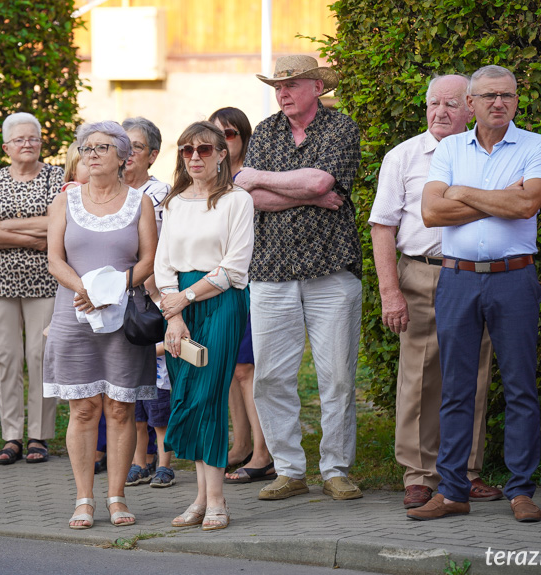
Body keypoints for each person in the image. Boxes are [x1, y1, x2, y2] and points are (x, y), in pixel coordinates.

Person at [410, 65, 541, 522]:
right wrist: (497, 197)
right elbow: (431, 212)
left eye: (507, 95)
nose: (499, 103)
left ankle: (521, 491)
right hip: (458, 279)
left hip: (515, 277)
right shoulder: (449, 147)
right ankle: (452, 491)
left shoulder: (536, 145)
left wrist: (463, 193)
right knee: (454, 388)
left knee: (520, 388)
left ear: (516, 100)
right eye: (489, 95)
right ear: (469, 103)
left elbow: (527, 203)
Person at [369, 74, 502, 509]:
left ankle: (465, 473)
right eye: (433, 104)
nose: (440, 112)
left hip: (474, 273)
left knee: (473, 374)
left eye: (450, 104)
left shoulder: (485, 155)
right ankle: (420, 474)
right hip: (423, 274)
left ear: (469, 108)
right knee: (420, 376)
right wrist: (391, 292)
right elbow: (383, 227)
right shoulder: (403, 156)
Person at [236, 55, 363, 501]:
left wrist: (261, 179)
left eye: (291, 84)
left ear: (316, 88)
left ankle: (335, 469)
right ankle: (289, 470)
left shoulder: (341, 127)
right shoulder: (266, 130)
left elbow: (319, 181)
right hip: (270, 272)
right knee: (271, 376)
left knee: (338, 377)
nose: (282, 92)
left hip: (332, 271)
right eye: (277, 85)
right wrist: (300, 191)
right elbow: (249, 198)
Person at [43, 121, 157, 529]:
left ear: (123, 157)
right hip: (73, 313)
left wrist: (110, 289)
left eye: (102, 147)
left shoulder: (139, 202)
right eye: (86, 147)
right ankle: (84, 498)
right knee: (84, 408)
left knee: (121, 409)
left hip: (123, 314)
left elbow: (147, 260)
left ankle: (117, 496)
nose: (91, 154)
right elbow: (55, 259)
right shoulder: (65, 203)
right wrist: (85, 289)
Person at [156, 121, 253, 530]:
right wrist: (174, 313)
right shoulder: (174, 202)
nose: (194, 157)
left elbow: (234, 267)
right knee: (188, 393)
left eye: (204, 150)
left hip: (220, 303)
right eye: (186, 151)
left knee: (208, 397)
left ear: (221, 156)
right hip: (178, 308)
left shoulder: (237, 200)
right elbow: (163, 264)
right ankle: (199, 499)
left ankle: (217, 502)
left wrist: (187, 297)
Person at [0, 112, 62, 465]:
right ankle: (11, 436)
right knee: (5, 359)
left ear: (42, 142)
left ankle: (39, 436)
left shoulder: (56, 176)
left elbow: (59, 221)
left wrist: (5, 227)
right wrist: (33, 237)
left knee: (41, 357)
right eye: (20, 139)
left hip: (46, 281)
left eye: (34, 138)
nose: (28, 144)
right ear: (6, 146)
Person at [208, 107, 272, 484]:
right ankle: (242, 443)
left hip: (252, 280)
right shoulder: (206, 177)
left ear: (243, 139)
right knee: (231, 368)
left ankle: (264, 453)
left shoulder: (250, 176)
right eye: (213, 137)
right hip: (214, 282)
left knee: (249, 369)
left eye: (228, 135)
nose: (221, 143)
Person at [121, 116, 169, 485]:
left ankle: (165, 459)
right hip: (117, 299)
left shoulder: (163, 195)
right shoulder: (108, 193)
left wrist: (151, 289)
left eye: (135, 146)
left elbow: (165, 251)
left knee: (160, 386)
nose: (127, 154)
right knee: (129, 385)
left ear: (152, 155)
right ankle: (139, 460)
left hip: (153, 299)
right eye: (121, 145)